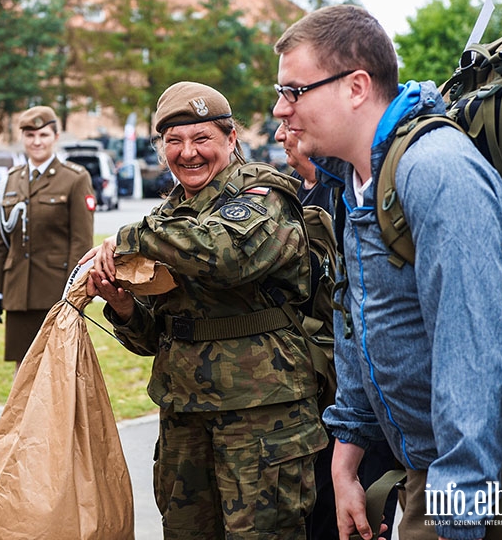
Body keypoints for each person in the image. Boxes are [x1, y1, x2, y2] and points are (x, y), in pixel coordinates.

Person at [273, 5, 502, 540]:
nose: (280, 109)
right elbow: (360, 321)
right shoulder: (358, 178)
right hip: (443, 461)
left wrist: (457, 507)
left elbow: (469, 346)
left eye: (294, 90)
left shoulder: (434, 169)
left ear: (356, 86)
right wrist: (346, 457)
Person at [84, 81, 327, 538]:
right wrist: (121, 305)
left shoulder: (263, 195)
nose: (188, 153)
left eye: (201, 139)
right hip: (184, 416)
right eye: (173, 141)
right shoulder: (173, 214)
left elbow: (226, 255)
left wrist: (129, 238)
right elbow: (157, 336)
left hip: (261, 418)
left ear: (231, 139)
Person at [276, 122, 398, 540]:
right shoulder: (290, 196)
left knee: (367, 516)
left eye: (290, 124)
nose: (280, 133)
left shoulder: (351, 191)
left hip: (370, 395)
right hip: (326, 397)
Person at [0, 106, 95, 371]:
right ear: (22, 138)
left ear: (56, 137)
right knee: (22, 370)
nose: (37, 141)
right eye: (30, 135)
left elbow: (81, 243)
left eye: (44, 135)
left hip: (55, 292)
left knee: (55, 371)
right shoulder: (11, 180)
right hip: (18, 294)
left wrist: (73, 294)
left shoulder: (74, 178)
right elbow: (1, 240)